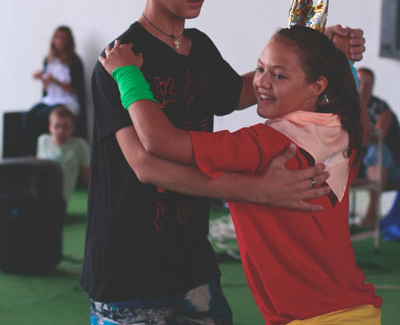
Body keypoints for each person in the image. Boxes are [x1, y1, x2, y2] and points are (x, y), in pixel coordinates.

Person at [80, 0, 366, 325]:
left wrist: (318, 54)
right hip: (128, 269)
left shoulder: (199, 48)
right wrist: (255, 190)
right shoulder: (120, 63)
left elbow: (248, 90)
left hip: (192, 262)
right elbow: (146, 165)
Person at [100, 25, 382, 325]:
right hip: (359, 311)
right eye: (260, 69)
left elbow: (159, 141)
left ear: (316, 86)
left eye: (279, 75)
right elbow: (359, 118)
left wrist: (126, 74)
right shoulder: (343, 130)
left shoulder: (266, 145)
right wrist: (343, 60)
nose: (262, 82)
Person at [23, 25, 87, 154]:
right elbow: (47, 89)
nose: (60, 41)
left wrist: (54, 80)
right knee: (28, 116)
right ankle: (31, 154)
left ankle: (48, 152)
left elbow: (75, 89)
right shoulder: (48, 60)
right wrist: (43, 79)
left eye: (64, 38)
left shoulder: (74, 62)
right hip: (51, 99)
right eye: (58, 37)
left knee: (42, 117)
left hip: (66, 100)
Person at [357, 67, 400, 227]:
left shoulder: (382, 109)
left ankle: (371, 213)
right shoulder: (347, 107)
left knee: (378, 151)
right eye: (359, 82)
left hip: (392, 169)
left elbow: (376, 138)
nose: (363, 87)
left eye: (367, 84)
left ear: (372, 86)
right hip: (361, 164)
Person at [36, 105, 90, 208]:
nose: (61, 131)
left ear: (72, 128)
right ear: (50, 127)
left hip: (63, 200)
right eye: (57, 126)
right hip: (42, 196)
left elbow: (88, 175)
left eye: (66, 126)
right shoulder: (42, 141)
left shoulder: (80, 145)